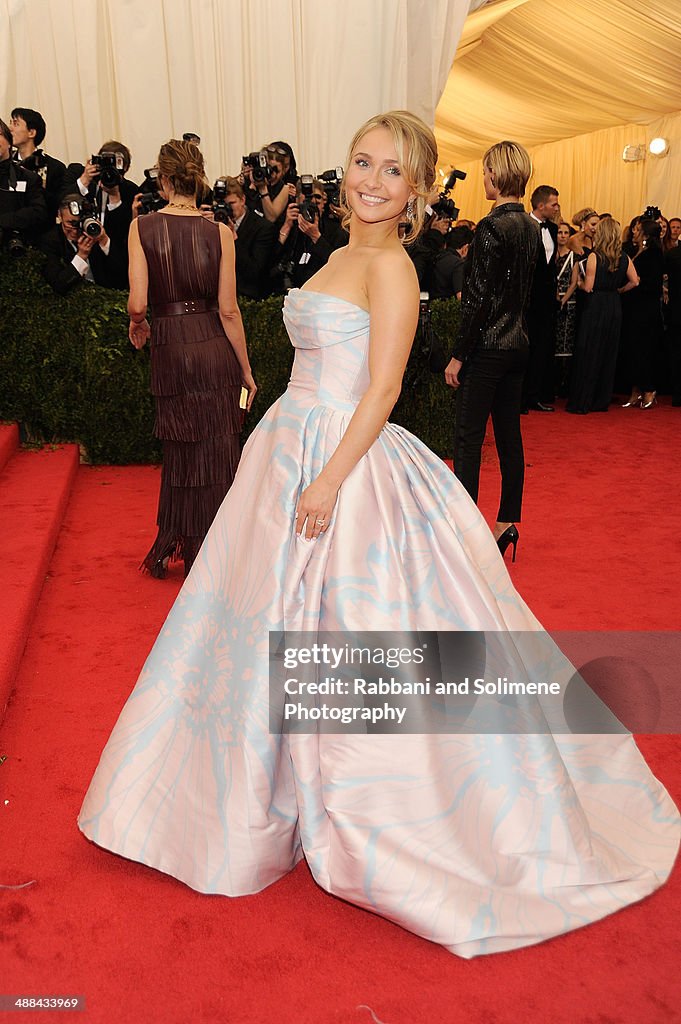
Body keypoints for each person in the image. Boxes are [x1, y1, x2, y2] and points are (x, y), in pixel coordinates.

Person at [78, 112, 679, 960]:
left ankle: (364, 801)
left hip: (343, 462)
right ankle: (253, 791)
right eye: (361, 161)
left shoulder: (392, 268)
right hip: (291, 445)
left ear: (417, 189)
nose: (369, 180)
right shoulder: (335, 253)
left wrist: (326, 479)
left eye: (391, 171)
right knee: (256, 627)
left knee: (350, 628)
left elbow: (385, 387)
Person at [127, 138, 256, 578]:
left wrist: (138, 325)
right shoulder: (220, 231)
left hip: (171, 349)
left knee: (182, 453)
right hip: (213, 347)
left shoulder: (141, 227)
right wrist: (245, 368)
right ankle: (216, 551)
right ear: (197, 177)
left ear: (163, 180)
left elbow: (138, 303)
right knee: (219, 451)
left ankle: (173, 544)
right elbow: (229, 310)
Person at [444, 141, 538, 562]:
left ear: (496, 177)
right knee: (508, 438)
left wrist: (459, 354)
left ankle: (465, 535)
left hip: (488, 348)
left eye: (485, 172)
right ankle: (507, 522)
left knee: (467, 440)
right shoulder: (533, 227)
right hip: (518, 344)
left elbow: (477, 299)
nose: (482, 179)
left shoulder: (491, 226)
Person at [567, 217, 638, 414]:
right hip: (614, 305)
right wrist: (619, 290)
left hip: (595, 305)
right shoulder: (624, 257)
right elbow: (635, 281)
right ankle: (601, 400)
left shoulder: (594, 257)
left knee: (589, 351)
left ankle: (583, 401)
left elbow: (588, 288)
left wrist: (579, 282)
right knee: (608, 352)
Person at [37, 193, 127, 293]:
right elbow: (59, 284)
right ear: (59, 215)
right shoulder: (50, 241)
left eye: (80, 223)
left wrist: (104, 241)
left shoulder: (94, 232)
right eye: (71, 223)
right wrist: (81, 256)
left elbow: (122, 275)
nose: (75, 230)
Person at [522, 184, 560, 412]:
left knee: (541, 347)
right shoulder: (523, 226)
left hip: (545, 301)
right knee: (523, 349)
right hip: (525, 298)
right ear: (540, 205)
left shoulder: (553, 230)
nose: (557, 208)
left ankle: (533, 396)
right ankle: (517, 399)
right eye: (553, 204)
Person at [620, 219, 665, 409]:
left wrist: (632, 284)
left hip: (646, 310)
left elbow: (651, 283)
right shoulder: (632, 250)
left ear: (646, 234)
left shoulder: (654, 254)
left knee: (643, 349)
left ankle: (648, 389)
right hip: (631, 307)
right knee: (632, 348)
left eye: (639, 230)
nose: (635, 232)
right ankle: (636, 389)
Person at [9, 106, 66, 219]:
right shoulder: (6, 164)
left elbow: (54, 206)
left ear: (31, 132)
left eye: (16, 124)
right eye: (10, 123)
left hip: (42, 231)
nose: (10, 128)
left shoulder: (54, 167)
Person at [555, 220, 578, 395]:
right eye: (560, 232)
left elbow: (574, 282)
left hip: (567, 304)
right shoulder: (550, 255)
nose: (562, 236)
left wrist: (563, 299)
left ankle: (563, 383)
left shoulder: (573, 257)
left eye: (565, 233)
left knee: (565, 341)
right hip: (550, 303)